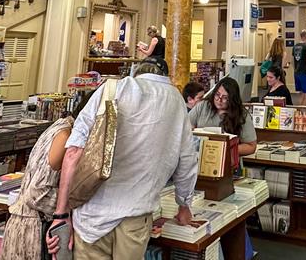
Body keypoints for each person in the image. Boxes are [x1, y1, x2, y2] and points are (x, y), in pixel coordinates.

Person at [46, 60, 198, 260]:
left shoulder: (111, 89)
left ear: (136, 73)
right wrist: (184, 205)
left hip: (92, 214)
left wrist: (61, 214)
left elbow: (73, 152)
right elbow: (187, 159)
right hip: (136, 215)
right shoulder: (175, 100)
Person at [0, 95, 90, 260]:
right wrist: (72, 205)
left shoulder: (61, 126)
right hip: (32, 229)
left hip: (25, 223)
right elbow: (38, 192)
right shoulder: (65, 136)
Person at [188, 77, 257, 158]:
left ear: (232, 99)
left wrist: (224, 149)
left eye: (225, 97)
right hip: (201, 158)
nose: (219, 100)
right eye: (217, 95)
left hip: (228, 160)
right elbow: (187, 128)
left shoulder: (241, 114)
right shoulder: (203, 106)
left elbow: (251, 146)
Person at [291, 30, 306, 106]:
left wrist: (296, 68)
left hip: (296, 73)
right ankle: (304, 111)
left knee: (301, 93)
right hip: (304, 73)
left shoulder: (295, 46)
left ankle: (299, 111)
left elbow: (292, 60)